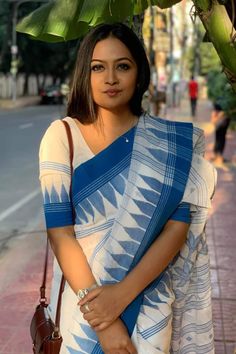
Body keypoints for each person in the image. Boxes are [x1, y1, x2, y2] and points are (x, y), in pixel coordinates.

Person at [39, 23, 216, 354]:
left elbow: (177, 227)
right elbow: (60, 233)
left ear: (140, 74)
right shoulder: (62, 136)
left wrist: (120, 297)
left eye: (122, 66)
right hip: (83, 306)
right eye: (98, 67)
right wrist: (103, 322)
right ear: (84, 73)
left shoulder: (171, 143)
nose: (110, 78)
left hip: (148, 305)